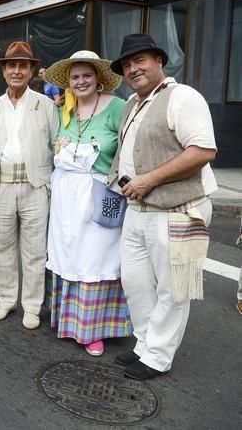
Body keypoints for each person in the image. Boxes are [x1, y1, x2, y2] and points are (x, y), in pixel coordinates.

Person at [108, 33, 218, 380]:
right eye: (127, 64)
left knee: (173, 288)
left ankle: (158, 357)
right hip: (138, 210)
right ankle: (144, 343)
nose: (132, 68)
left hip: (179, 209)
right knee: (136, 283)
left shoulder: (182, 96)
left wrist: (149, 179)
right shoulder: (131, 103)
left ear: (159, 61)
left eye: (139, 60)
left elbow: (202, 151)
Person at [43, 50, 132, 355]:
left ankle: (95, 329)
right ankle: (69, 321)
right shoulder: (64, 110)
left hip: (99, 194)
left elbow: (129, 147)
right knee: (68, 255)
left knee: (97, 258)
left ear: (99, 79)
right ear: (68, 82)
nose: (81, 82)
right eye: (75, 77)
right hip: (66, 197)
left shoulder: (117, 107)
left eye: (86, 75)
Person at [0, 41, 57, 329]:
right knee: (1, 246)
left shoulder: (45, 105)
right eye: (12, 65)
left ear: (32, 69)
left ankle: (32, 306)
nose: (17, 71)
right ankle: (6, 300)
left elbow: (54, 144)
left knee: (35, 250)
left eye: (23, 65)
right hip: (1, 186)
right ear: (4, 70)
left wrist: (46, 179)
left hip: (35, 185)